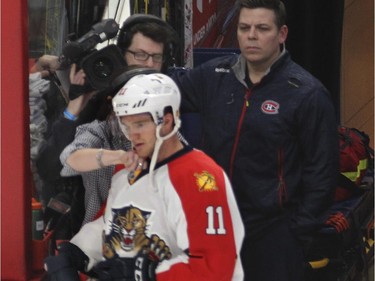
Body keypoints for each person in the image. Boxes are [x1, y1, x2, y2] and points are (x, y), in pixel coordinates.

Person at [172, 0, 339, 280]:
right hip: (214, 224)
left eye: (262, 28)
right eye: (244, 27)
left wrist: (296, 233)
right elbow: (163, 96)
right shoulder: (213, 76)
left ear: (282, 34)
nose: (251, 35)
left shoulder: (307, 94)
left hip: (272, 234)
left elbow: (322, 172)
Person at [44, 73, 244, 281]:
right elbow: (112, 224)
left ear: (167, 122)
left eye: (139, 124)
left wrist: (149, 274)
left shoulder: (200, 177)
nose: (131, 135)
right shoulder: (128, 170)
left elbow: (216, 269)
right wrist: (78, 252)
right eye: (126, 125)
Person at [58, 14, 181, 226]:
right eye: (141, 55)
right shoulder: (99, 131)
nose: (150, 65)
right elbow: (69, 158)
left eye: (156, 57)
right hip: (99, 240)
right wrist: (117, 157)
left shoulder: (169, 132)